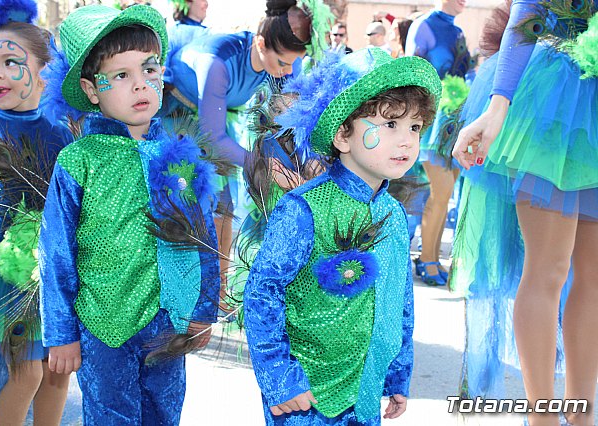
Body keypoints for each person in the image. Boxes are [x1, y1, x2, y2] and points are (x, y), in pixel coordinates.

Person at [38, 4, 221, 424]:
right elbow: (56, 253)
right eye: (121, 76)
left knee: (163, 414)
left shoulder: (179, 156)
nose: (140, 86)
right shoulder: (79, 160)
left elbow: (202, 238)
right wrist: (62, 333)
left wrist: (202, 309)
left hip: (168, 323)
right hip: (103, 325)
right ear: (91, 88)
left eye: (149, 71)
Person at [244, 48, 441, 425]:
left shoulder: (393, 214)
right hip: (305, 399)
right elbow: (262, 291)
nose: (406, 141)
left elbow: (398, 298)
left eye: (414, 127)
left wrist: (397, 372)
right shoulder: (304, 209)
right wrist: (280, 378)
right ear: (342, 136)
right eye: (389, 125)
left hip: (365, 395)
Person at [450, 0, 598, 424]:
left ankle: (582, 414)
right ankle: (544, 417)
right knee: (548, 269)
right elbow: (527, 13)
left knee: (595, 277)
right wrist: (496, 110)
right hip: (555, 100)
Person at [162, 0, 329, 307]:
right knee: (192, 204)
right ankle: (187, 292)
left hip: (216, 117)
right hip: (175, 117)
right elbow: (213, 138)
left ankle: (218, 288)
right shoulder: (219, 62)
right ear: (260, 43)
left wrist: (307, 159)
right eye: (281, 63)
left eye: (293, 63)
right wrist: (264, 163)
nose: (287, 71)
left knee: (225, 206)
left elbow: (290, 115)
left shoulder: (282, 59)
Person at [0, 0, 74, 424]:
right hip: (1, 275)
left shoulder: (64, 136)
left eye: (10, 62)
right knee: (24, 376)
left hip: (55, 276)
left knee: (58, 374)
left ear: (46, 70)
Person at [406, 0, 471, 285]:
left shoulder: (458, 31)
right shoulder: (424, 25)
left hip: (456, 122)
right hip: (432, 123)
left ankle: (430, 257)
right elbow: (411, 74)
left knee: (445, 197)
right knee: (439, 192)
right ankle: (426, 259)